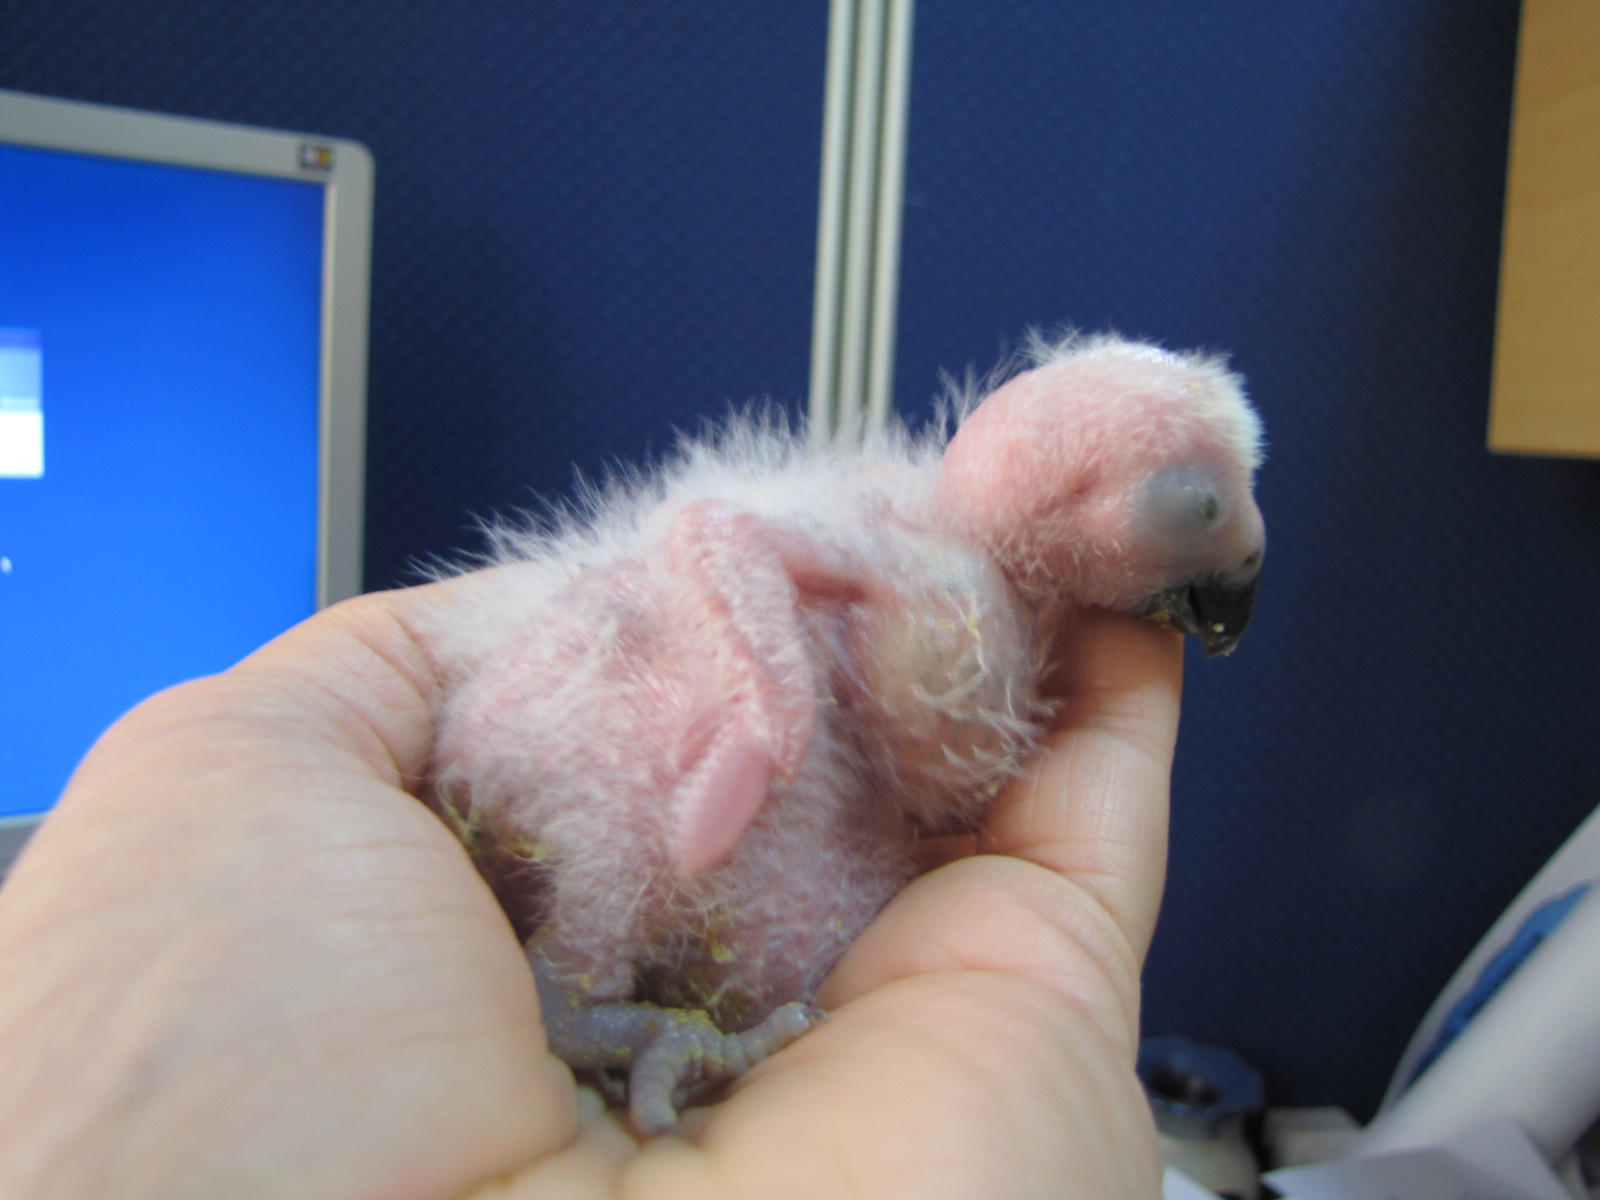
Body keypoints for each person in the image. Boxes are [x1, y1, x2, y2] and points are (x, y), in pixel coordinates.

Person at [0, 578, 1183, 1199]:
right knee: (652, 768)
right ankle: (580, 990)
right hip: (625, 781)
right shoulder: (853, 571)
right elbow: (722, 542)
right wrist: (759, 705)